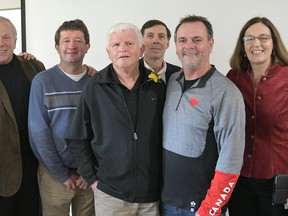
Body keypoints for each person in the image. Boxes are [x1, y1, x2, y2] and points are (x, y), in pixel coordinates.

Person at [66, 23, 166, 216]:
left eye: (129, 43)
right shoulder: (94, 87)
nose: (122, 49)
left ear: (141, 50)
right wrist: (93, 180)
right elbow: (77, 137)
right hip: (110, 195)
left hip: (150, 194)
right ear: (108, 52)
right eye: (116, 45)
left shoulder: (157, 85)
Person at [161, 15, 246, 216]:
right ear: (175, 46)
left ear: (210, 44)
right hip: (165, 203)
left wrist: (209, 210)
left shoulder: (226, 92)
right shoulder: (172, 81)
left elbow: (231, 161)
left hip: (199, 208)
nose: (189, 46)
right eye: (182, 40)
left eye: (197, 40)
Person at [28, 19, 95, 216]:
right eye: (66, 41)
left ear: (87, 46)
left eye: (78, 40)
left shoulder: (96, 82)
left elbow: (102, 130)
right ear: (57, 47)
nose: (71, 46)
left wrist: (88, 170)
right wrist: (60, 173)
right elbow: (38, 133)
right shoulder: (42, 81)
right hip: (54, 175)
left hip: (89, 174)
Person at [226, 16, 288, 216]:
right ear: (242, 45)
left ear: (274, 43)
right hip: (238, 179)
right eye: (249, 38)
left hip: (277, 181)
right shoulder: (233, 77)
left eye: (263, 37)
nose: (256, 43)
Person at [0, 16, 45, 216]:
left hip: (33, 166)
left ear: (15, 41)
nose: (1, 43)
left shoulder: (33, 67)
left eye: (6, 37)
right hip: (3, 169)